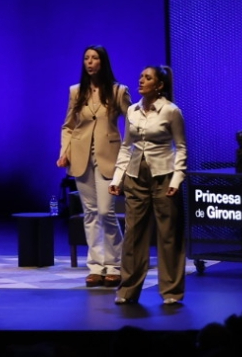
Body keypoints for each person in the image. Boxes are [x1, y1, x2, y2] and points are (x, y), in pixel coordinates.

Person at [111, 65, 187, 306]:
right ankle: (128, 290)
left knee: (168, 235)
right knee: (133, 235)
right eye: (141, 76)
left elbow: (181, 148)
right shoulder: (132, 111)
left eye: (147, 77)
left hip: (163, 176)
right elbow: (126, 147)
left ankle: (171, 291)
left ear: (159, 85)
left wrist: (176, 179)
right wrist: (117, 178)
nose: (141, 80)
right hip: (135, 176)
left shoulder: (171, 111)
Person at [58, 45, 130, 288]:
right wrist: (64, 152)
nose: (90, 62)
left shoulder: (118, 91)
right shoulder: (76, 92)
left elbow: (131, 125)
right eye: (86, 58)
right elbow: (68, 126)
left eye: (94, 58)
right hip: (81, 158)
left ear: (103, 62)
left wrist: (127, 157)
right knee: (89, 213)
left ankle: (115, 264)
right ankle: (96, 266)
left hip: (109, 157)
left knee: (105, 212)